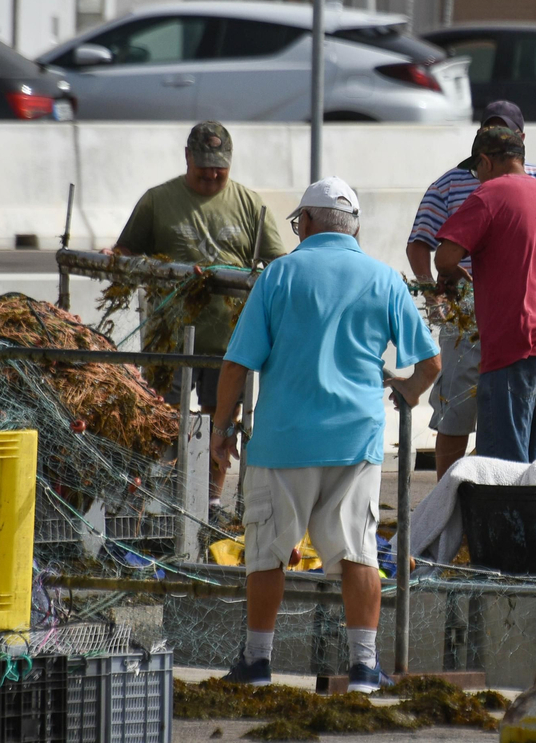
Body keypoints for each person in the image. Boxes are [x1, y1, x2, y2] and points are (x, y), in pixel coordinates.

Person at [212, 177, 441, 690]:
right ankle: (363, 667)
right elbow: (430, 363)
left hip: (283, 440)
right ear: (354, 227)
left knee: (268, 552)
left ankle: (257, 663)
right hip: (354, 442)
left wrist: (222, 430)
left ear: (308, 222)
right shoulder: (384, 279)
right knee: (357, 551)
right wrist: (406, 391)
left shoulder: (278, 275)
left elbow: (236, 364)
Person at [106, 121, 287, 508]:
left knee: (220, 420)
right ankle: (156, 501)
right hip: (168, 338)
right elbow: (126, 251)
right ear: (187, 157)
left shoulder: (250, 205)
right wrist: (113, 257)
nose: (211, 174)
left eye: (219, 167)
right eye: (203, 165)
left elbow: (278, 263)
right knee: (161, 416)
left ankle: (210, 503)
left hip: (229, 343)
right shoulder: (157, 201)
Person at [405, 101, 536, 478]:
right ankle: (512, 509)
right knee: (532, 452)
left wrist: (503, 295)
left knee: (504, 459)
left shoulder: (489, 193)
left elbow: (445, 257)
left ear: (485, 160)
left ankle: (483, 513)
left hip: (509, 333)